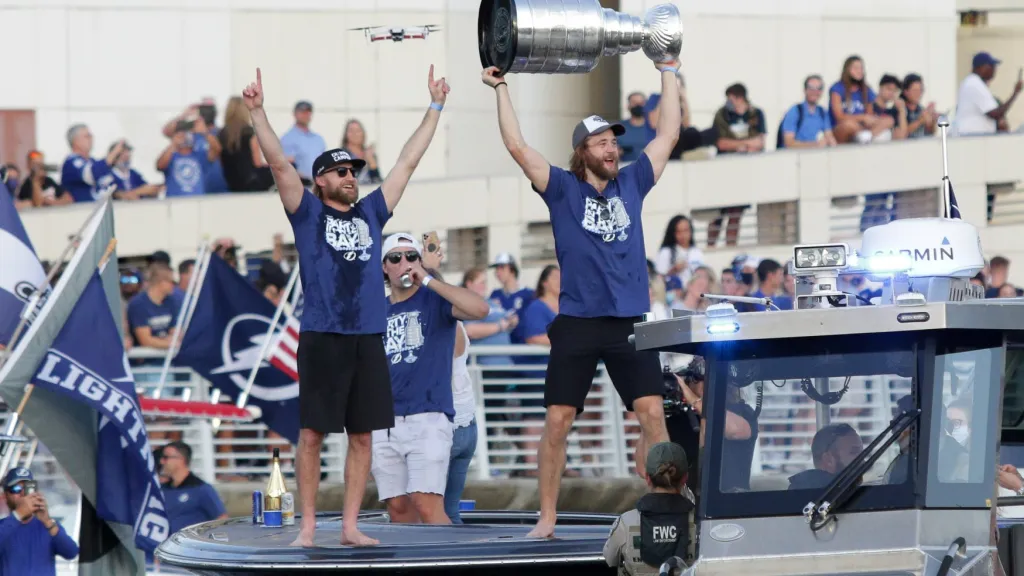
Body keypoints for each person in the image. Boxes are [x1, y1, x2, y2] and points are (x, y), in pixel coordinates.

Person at [243, 64, 449, 546]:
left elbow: (406, 164)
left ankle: (351, 526)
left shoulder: (372, 211)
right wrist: (257, 111)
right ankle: (310, 526)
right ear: (321, 180)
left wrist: (435, 107)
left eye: (353, 170)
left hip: (368, 338)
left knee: (362, 437)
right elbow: (278, 164)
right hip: (323, 335)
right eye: (340, 171)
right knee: (312, 435)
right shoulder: (308, 211)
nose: (350, 176)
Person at [482, 55, 679, 538]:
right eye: (601, 143)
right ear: (582, 152)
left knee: (652, 413)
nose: (612, 149)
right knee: (558, 420)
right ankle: (546, 517)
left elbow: (668, 134)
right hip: (578, 322)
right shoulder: (563, 189)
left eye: (614, 141)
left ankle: (668, 507)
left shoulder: (633, 181)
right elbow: (515, 145)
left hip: (629, 321)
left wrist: (668, 70)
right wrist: (500, 86)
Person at [374, 233, 488, 524]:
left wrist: (427, 277)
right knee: (398, 508)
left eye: (411, 256)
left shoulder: (435, 300)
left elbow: (480, 309)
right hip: (384, 419)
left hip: (429, 416)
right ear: (384, 266)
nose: (404, 263)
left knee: (427, 505)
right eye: (395, 258)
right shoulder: (376, 308)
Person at [420, 234, 479, 524]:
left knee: (427, 515)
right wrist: (428, 265)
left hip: (444, 427)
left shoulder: (431, 327)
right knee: (450, 512)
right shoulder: (455, 322)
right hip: (468, 426)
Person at [603, 442, 695, 575]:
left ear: (647, 478)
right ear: (685, 478)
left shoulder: (625, 522)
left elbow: (610, 560)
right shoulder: (700, 522)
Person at [674, 357, 758, 491]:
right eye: (699, 377)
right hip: (689, 503)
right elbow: (645, 466)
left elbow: (734, 430)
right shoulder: (682, 418)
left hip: (730, 502)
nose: (706, 383)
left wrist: (695, 401)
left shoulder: (744, 412)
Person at [0, 467, 79, 575]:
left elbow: (71, 552)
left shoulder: (48, 525)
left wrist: (48, 521)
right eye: (16, 489)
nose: (23, 494)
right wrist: (18, 515)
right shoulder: (3, 526)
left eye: (28, 488)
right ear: (5, 496)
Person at [787, 424, 865, 490]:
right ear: (828, 460)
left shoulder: (799, 492)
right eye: (854, 452)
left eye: (862, 453)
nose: (863, 460)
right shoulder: (840, 497)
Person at [654, 215, 704, 290]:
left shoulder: (697, 252)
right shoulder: (666, 252)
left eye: (686, 230)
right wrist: (673, 271)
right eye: (679, 232)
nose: (683, 235)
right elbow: (658, 279)